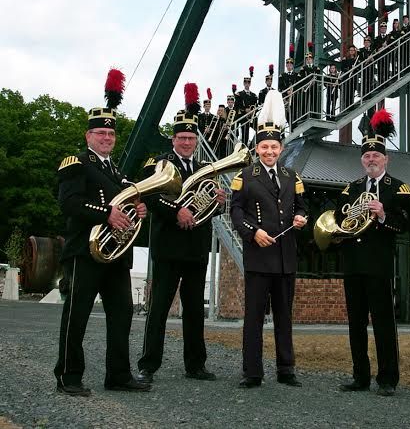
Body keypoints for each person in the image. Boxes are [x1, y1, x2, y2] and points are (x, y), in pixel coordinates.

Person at [54, 70, 151, 397]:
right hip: (86, 250)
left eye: (110, 135)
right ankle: (68, 375)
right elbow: (68, 203)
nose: (106, 138)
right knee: (76, 314)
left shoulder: (119, 172)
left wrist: (136, 211)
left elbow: (126, 205)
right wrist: (107, 212)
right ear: (88, 136)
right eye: (100, 134)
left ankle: (119, 375)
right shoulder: (76, 164)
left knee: (122, 314)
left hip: (115, 254)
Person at [137, 84, 224, 385]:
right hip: (168, 247)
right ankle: (148, 365)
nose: (187, 142)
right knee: (159, 307)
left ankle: (195, 365)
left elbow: (208, 207)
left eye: (191, 138)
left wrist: (218, 204)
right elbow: (149, 197)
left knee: (194, 311)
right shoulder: (159, 163)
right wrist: (177, 211)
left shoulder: (205, 168)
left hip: (196, 248)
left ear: (196, 139)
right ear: (173, 138)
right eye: (182, 137)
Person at [230, 91, 307, 388]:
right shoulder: (245, 176)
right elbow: (235, 211)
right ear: (257, 147)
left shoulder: (292, 176)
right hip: (259, 257)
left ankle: (286, 370)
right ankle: (252, 372)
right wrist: (253, 232)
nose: (269, 151)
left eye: (274, 146)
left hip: (286, 258)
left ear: (281, 147)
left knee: (284, 318)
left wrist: (302, 218)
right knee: (253, 319)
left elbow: (302, 206)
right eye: (264, 146)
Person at [336, 110, 410, 396]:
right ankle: (360, 376)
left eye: (376, 156)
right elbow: (338, 219)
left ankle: (388, 379)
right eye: (367, 156)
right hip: (354, 265)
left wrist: (382, 214)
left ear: (385, 159)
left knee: (383, 324)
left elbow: (404, 224)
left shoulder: (399, 189)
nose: (371, 159)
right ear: (362, 160)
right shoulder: (351, 188)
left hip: (379, 266)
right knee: (356, 324)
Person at [237, 69, 258, 145]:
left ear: (250, 84)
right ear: (243, 83)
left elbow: (256, 105)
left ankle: (254, 146)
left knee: (259, 129)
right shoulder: (239, 94)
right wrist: (245, 110)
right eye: (245, 82)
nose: (247, 84)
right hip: (244, 117)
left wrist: (252, 111)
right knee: (245, 135)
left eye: (248, 82)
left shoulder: (254, 95)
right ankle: (245, 149)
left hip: (252, 116)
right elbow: (238, 105)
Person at [340, 44, 359, 111]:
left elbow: (359, 68)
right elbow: (342, 68)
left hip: (353, 78)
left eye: (353, 50)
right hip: (346, 78)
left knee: (351, 92)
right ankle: (346, 106)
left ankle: (351, 106)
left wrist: (355, 68)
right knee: (346, 92)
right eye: (350, 50)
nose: (351, 51)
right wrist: (348, 69)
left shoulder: (356, 59)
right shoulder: (345, 59)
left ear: (354, 51)